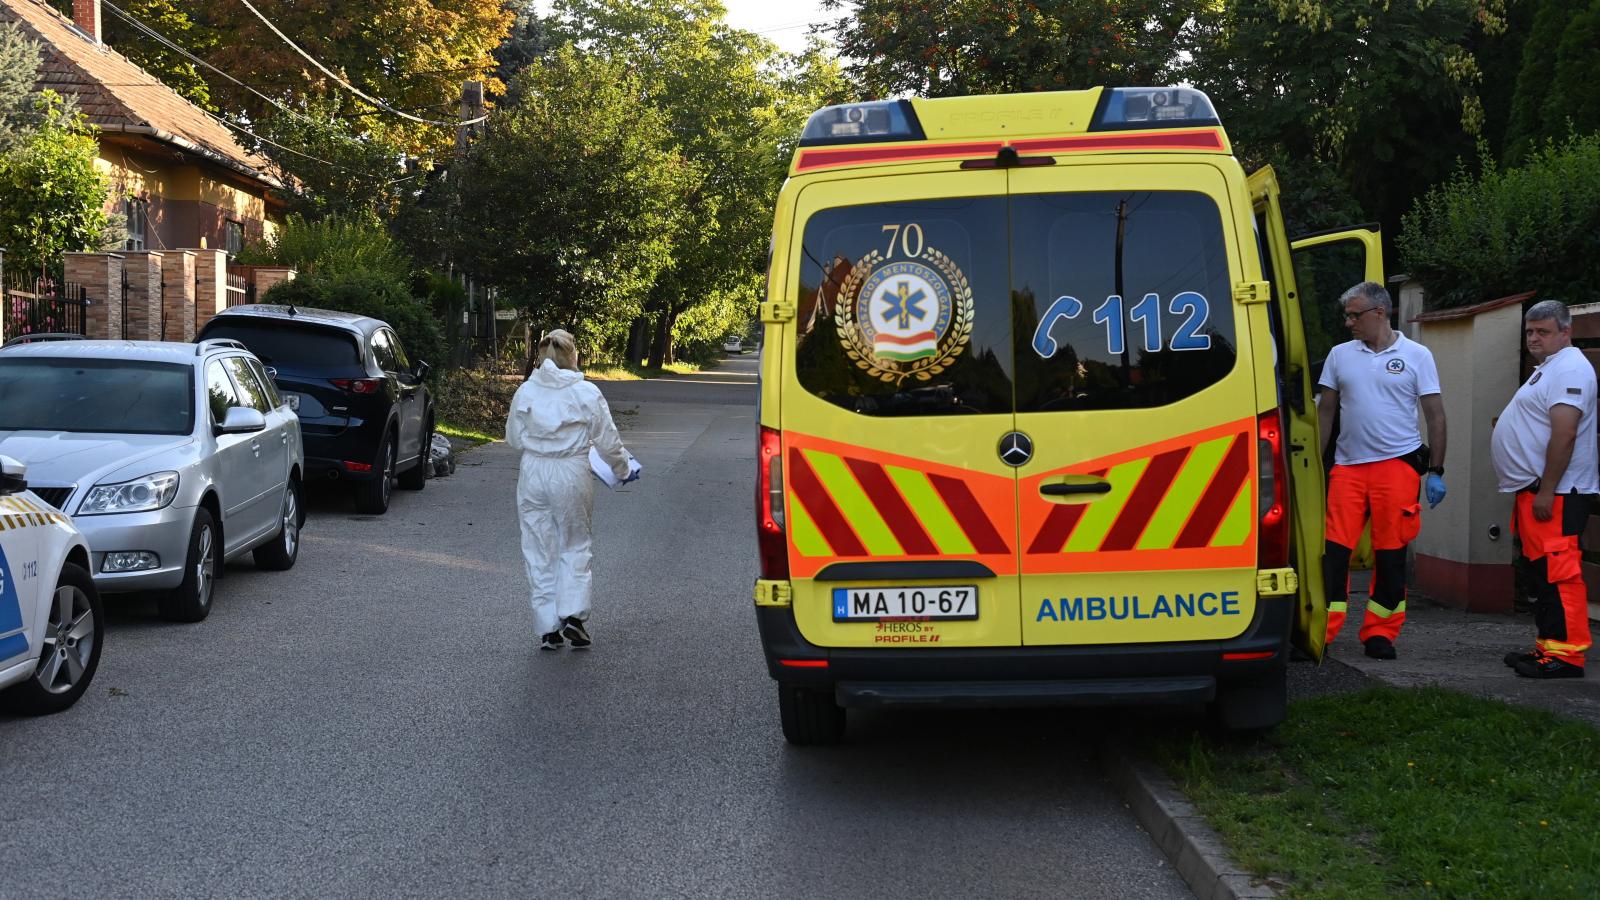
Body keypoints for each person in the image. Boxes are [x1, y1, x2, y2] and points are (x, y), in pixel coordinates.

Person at [1317, 282, 1447, 660]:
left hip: (1398, 467)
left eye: (1355, 315)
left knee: (1390, 555)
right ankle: (1321, 631)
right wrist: (1313, 461)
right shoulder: (1340, 355)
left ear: (1380, 312)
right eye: (1347, 315)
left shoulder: (1417, 355)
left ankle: (1380, 634)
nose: (1348, 322)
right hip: (1348, 469)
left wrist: (1436, 469)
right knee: (1334, 553)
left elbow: (1435, 415)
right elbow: (1326, 412)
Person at [505, 329, 634, 651]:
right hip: (571, 471)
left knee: (538, 547)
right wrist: (622, 469)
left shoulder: (526, 392)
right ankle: (573, 615)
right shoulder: (585, 392)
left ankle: (547, 626)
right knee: (575, 543)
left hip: (533, 472)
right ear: (572, 355)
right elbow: (608, 439)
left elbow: (514, 438)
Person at [1491, 301, 1597, 679]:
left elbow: (1565, 433)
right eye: (1530, 332)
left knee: (1559, 573)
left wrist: (1547, 491)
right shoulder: (1550, 368)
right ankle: (1548, 647)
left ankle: (1567, 657)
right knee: (1542, 575)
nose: (1534, 339)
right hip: (1537, 492)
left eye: (1543, 332)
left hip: (1556, 493)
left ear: (1566, 332)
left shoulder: (1570, 369)